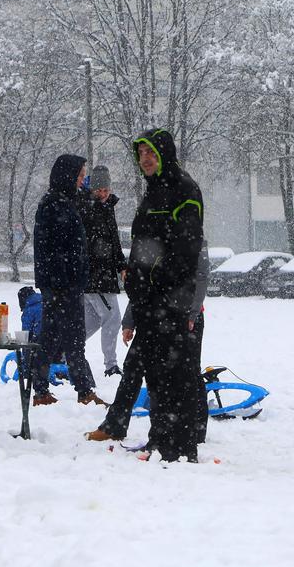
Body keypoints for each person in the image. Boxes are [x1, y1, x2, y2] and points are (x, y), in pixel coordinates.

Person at [124, 129, 205, 462]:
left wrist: (156, 278)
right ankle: (160, 438)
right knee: (155, 373)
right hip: (148, 301)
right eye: (141, 152)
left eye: (151, 152)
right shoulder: (151, 193)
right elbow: (142, 247)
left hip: (171, 300)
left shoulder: (185, 190)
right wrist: (132, 277)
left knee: (177, 373)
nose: (145, 158)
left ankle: (181, 446)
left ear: (164, 154)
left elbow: (185, 250)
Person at [86, 239, 210, 447]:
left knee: (189, 372)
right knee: (133, 369)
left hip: (184, 318)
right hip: (151, 317)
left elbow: (201, 276)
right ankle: (114, 426)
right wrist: (129, 322)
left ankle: (195, 430)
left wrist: (192, 312)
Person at [31, 154, 104, 406]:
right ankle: (83, 390)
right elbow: (55, 249)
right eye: (80, 176)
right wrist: (68, 279)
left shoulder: (62, 202)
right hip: (63, 284)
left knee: (51, 337)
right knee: (73, 337)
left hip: (62, 283)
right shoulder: (55, 205)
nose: (82, 181)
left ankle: (41, 389)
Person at [79, 165, 126, 377]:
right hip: (95, 277)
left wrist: (121, 265)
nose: (103, 194)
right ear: (92, 189)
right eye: (99, 190)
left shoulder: (107, 208)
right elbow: (90, 244)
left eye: (106, 190)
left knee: (94, 320)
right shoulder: (87, 208)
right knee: (113, 317)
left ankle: (62, 351)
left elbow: (114, 241)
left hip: (102, 276)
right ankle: (111, 365)